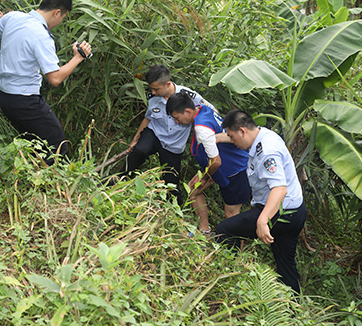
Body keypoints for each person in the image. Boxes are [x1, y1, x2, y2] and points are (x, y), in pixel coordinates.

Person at [0, 0, 91, 161]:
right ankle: (55, 185)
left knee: (34, 146)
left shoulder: (12, 17)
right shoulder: (41, 35)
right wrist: (78, 57)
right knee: (57, 146)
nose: (60, 22)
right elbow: (55, 78)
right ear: (57, 12)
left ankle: (34, 181)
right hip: (26, 101)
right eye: (62, 17)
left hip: (6, 98)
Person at [215, 109, 306, 293]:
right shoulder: (263, 134)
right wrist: (216, 138)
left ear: (242, 131)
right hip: (295, 210)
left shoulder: (267, 152)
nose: (232, 142)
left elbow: (279, 189)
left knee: (225, 230)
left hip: (280, 211)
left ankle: (228, 281)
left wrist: (263, 220)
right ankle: (295, 306)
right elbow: (237, 137)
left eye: (232, 137)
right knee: (285, 264)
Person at [125, 65, 215, 205]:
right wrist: (135, 139)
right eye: (151, 89)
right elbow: (148, 118)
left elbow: (210, 110)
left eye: (156, 89)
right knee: (138, 153)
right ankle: (117, 182)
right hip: (155, 133)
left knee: (171, 181)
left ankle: (174, 209)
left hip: (174, 144)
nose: (153, 92)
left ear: (167, 84)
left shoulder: (189, 96)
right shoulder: (153, 98)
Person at [166, 91, 251, 235]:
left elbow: (216, 162)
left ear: (187, 111)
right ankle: (204, 231)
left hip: (235, 170)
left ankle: (237, 253)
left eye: (176, 118)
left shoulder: (202, 128)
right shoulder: (204, 108)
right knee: (193, 190)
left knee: (232, 215)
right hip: (225, 164)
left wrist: (204, 177)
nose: (176, 122)